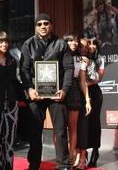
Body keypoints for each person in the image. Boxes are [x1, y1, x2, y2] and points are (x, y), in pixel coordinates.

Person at [20, 13, 74, 170]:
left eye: (46, 23)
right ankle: (34, 165)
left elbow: (69, 68)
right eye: (39, 24)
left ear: (51, 25)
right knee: (35, 131)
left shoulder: (61, 44)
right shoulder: (28, 44)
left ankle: (63, 165)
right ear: (36, 27)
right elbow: (23, 70)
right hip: (35, 94)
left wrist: (64, 90)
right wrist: (29, 88)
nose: (43, 26)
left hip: (57, 94)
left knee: (61, 131)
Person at [0, 31, 19, 170]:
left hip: (12, 103)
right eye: (0, 42)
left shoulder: (12, 60)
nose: (4, 44)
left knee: (10, 138)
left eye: (6, 41)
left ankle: (8, 167)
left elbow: (14, 81)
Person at [63, 32, 91, 166]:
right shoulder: (59, 56)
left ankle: (70, 157)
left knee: (73, 127)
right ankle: (61, 157)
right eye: (70, 40)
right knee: (59, 128)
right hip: (60, 91)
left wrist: (87, 99)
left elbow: (82, 81)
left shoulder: (81, 59)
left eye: (75, 41)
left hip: (74, 92)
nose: (74, 43)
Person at [76, 37, 104, 169]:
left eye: (94, 45)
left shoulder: (100, 59)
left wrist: (83, 83)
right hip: (80, 93)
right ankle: (83, 152)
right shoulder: (80, 57)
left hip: (93, 92)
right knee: (82, 124)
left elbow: (98, 78)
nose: (91, 47)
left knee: (94, 122)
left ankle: (95, 151)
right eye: (89, 45)